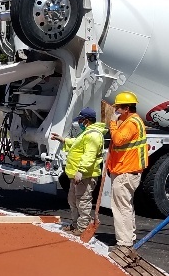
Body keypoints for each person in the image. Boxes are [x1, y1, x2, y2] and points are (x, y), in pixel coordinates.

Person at [51, 107, 105, 235]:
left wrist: (81, 171)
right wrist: (63, 140)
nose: (79, 123)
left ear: (86, 120)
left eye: (81, 120)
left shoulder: (94, 135)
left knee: (83, 202)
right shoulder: (87, 133)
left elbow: (89, 155)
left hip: (85, 175)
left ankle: (82, 228)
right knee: (73, 200)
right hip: (76, 176)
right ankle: (75, 224)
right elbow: (77, 144)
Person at [106, 91, 148, 254]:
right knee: (126, 206)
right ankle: (128, 237)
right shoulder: (130, 121)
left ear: (126, 108)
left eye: (118, 108)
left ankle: (124, 243)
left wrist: (112, 124)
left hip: (126, 171)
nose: (116, 110)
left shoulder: (131, 122)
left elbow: (117, 140)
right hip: (125, 170)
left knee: (121, 207)